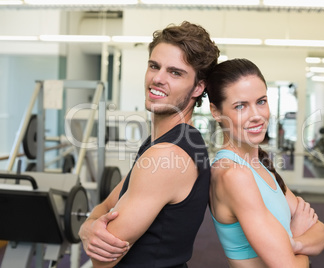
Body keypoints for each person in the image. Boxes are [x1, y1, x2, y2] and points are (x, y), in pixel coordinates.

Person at [78, 21, 220, 268]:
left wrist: (88, 227)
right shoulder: (169, 142)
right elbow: (107, 204)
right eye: (154, 66)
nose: (157, 78)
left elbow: (101, 260)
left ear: (198, 87)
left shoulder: (166, 156)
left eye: (175, 72)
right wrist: (89, 226)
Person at [206, 58, 324, 267]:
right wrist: (297, 234)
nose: (257, 116)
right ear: (216, 112)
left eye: (261, 101)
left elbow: (323, 233)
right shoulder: (234, 175)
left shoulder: (260, 166)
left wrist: (293, 244)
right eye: (240, 106)